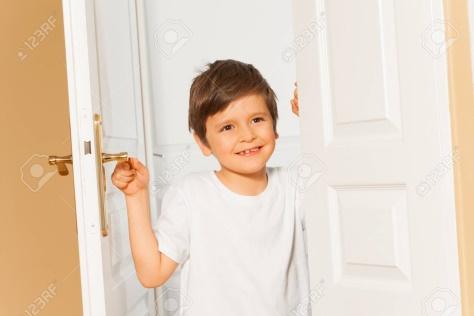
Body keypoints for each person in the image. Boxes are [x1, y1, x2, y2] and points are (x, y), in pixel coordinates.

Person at [111, 60, 308, 315]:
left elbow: (345, 186)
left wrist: (314, 114)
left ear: (275, 127)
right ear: (203, 143)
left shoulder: (294, 186)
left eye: (257, 119)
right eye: (228, 127)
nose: (247, 135)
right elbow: (152, 274)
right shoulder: (191, 194)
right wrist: (136, 195)